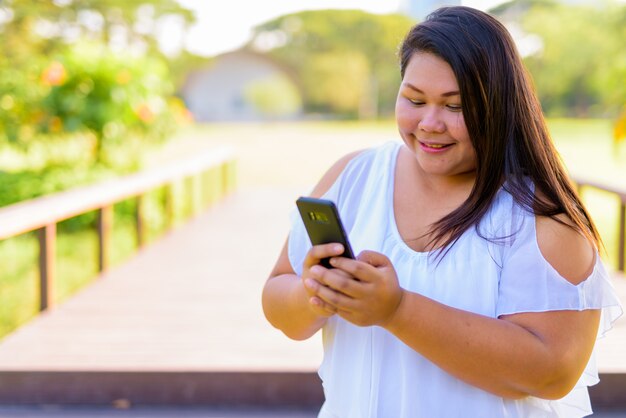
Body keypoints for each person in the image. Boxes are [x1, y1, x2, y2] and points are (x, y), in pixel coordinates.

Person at [261, 6, 623, 418]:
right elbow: (278, 298)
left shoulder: (539, 213)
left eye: (455, 106)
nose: (430, 123)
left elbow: (553, 372)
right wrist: (317, 293)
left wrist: (396, 309)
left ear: (500, 105)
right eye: (415, 99)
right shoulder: (353, 176)